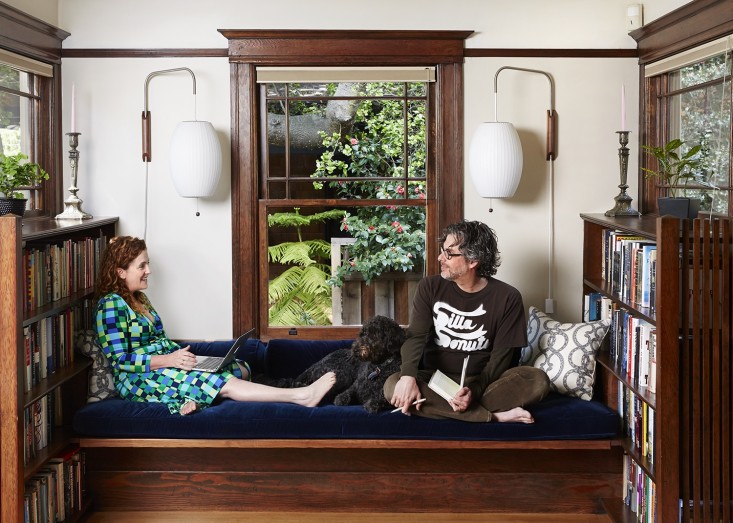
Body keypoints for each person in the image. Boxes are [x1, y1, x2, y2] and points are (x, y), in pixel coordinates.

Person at [95, 236, 336, 416]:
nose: (149, 271)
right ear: (121, 272)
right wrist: (169, 360)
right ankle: (301, 396)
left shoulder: (140, 298)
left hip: (167, 364)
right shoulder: (110, 305)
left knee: (240, 368)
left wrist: (183, 358)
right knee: (225, 382)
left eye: (148, 264)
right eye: (141, 266)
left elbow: (158, 339)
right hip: (139, 378)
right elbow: (120, 360)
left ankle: (196, 396)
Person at [384, 220, 550, 423]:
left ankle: (444, 410)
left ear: (473, 261)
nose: (440, 258)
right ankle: (492, 417)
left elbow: (500, 360)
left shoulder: (508, 297)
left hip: (483, 383)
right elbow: (415, 336)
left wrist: (473, 391)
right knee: (392, 385)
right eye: (442, 251)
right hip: (435, 379)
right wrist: (408, 377)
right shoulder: (429, 287)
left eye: (449, 253)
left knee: (537, 380)